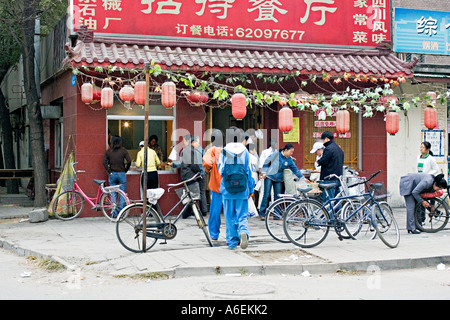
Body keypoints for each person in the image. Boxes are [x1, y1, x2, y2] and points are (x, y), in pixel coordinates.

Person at [218, 127, 254, 250]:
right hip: (242, 189)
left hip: (227, 189)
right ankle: (243, 231)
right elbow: (249, 171)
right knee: (242, 215)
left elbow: (221, 170)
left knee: (229, 216)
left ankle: (232, 242)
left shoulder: (224, 151)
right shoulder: (245, 151)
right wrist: (250, 188)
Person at [259, 144, 307, 220]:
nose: (291, 153)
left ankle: (276, 215)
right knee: (267, 195)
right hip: (269, 176)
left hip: (279, 178)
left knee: (277, 197)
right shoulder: (276, 154)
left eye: (292, 152)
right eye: (291, 152)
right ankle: (262, 213)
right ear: (285, 150)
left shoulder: (289, 159)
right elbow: (266, 162)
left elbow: (295, 169)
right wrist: (263, 172)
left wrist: (302, 177)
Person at [102, 135, 132, 218]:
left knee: (113, 194)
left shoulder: (109, 151)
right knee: (122, 194)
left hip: (112, 174)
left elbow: (104, 162)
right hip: (122, 174)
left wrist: (109, 171)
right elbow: (129, 161)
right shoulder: (123, 151)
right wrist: (125, 170)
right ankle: (121, 213)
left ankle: (114, 213)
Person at [202, 130, 223, 240]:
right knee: (231, 211)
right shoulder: (226, 150)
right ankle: (234, 235)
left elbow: (207, 162)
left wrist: (208, 169)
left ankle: (214, 235)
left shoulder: (212, 150)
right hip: (228, 186)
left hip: (216, 185)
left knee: (215, 210)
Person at [180, 135, 208, 218]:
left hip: (192, 174)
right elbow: (195, 164)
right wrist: (201, 170)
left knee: (191, 194)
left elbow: (184, 163)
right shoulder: (197, 150)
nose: (198, 144)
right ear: (193, 142)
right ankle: (201, 211)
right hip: (196, 174)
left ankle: (190, 212)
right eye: (197, 142)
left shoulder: (186, 150)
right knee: (198, 193)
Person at [317, 131, 344, 202]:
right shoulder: (339, 149)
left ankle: (329, 214)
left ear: (326, 139)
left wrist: (319, 161)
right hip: (338, 178)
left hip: (329, 179)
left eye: (323, 140)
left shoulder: (328, 149)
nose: (323, 142)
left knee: (329, 201)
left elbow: (324, 161)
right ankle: (338, 213)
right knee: (337, 201)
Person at [257, 138, 277, 209]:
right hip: (265, 174)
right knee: (264, 193)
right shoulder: (265, 152)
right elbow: (261, 163)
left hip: (275, 175)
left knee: (273, 193)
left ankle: (272, 209)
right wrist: (260, 173)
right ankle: (260, 208)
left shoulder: (278, 152)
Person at [247, 143, 259, 218]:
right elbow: (257, 168)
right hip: (253, 176)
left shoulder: (243, 156)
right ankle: (252, 210)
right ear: (251, 150)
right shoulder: (253, 158)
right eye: (254, 149)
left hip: (247, 176)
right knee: (253, 193)